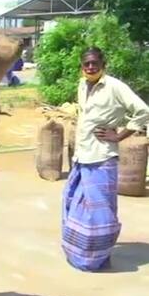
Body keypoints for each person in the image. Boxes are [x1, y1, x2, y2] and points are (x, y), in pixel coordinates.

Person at [62, 47, 149, 271]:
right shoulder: (83, 85)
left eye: (94, 63)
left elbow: (143, 111)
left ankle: (102, 255)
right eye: (86, 64)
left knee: (102, 213)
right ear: (81, 66)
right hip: (82, 156)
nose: (90, 67)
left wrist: (119, 135)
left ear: (103, 64)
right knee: (74, 204)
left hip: (102, 158)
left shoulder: (115, 86)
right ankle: (81, 253)